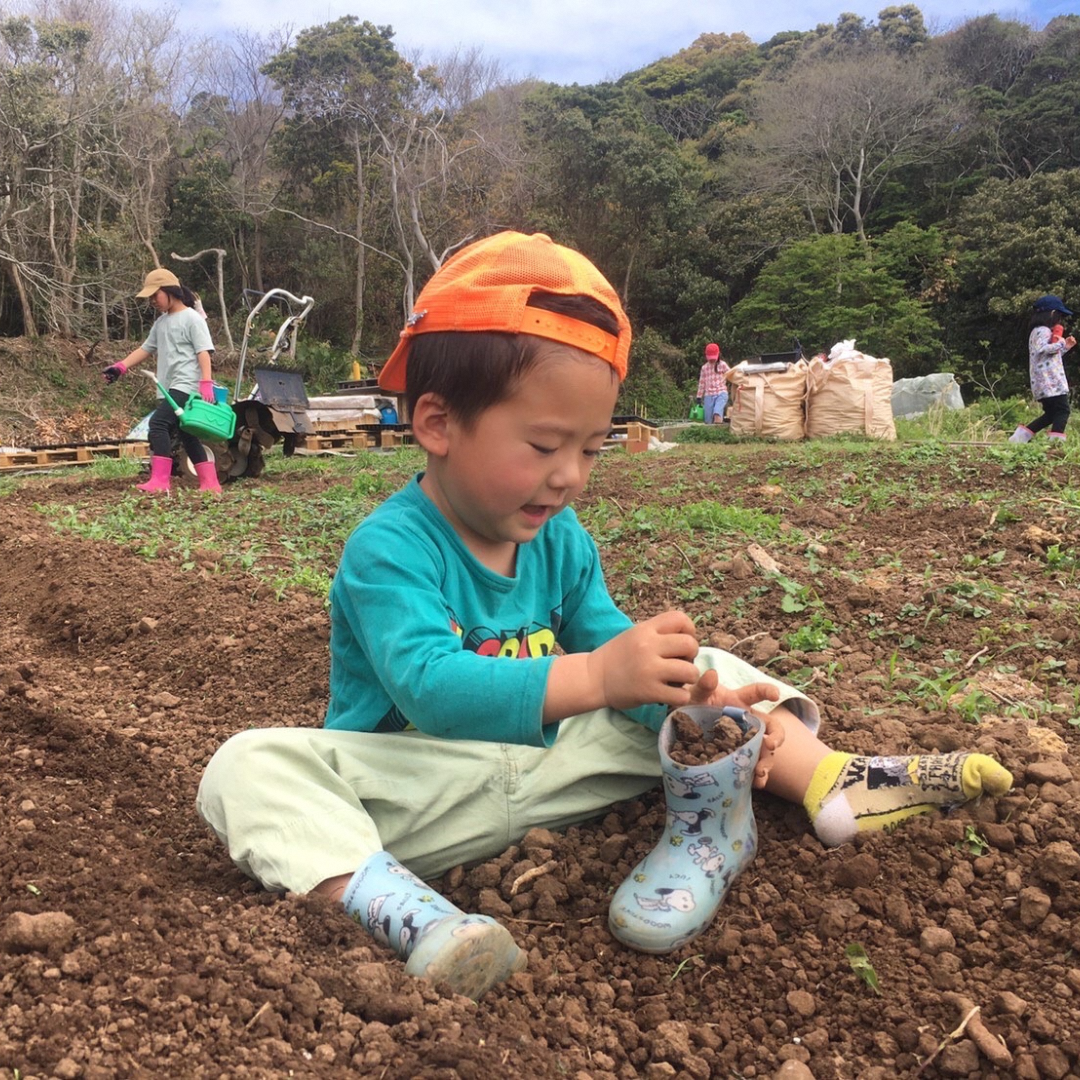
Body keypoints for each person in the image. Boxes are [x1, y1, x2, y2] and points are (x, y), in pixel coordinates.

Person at [196, 231, 1013, 1001]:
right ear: (438, 423)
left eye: (590, 449)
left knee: (705, 667)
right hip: (422, 789)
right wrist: (596, 675)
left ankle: (818, 785)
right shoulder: (390, 550)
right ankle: (411, 915)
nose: (571, 477)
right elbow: (430, 689)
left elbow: (607, 643)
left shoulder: (560, 538)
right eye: (545, 446)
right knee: (245, 767)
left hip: (560, 766)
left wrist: (679, 694)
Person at [103, 268, 220, 494]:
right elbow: (146, 348)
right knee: (187, 434)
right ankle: (210, 484)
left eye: (155, 295)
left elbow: (204, 352)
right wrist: (121, 366)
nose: (153, 301)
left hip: (186, 386)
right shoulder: (161, 323)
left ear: (169, 291)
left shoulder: (193, 319)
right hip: (170, 387)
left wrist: (206, 382)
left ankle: (160, 481)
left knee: (158, 425)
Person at [1009, 294, 1076, 447]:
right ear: (1052, 314)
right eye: (1059, 315)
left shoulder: (1038, 331)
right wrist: (1060, 342)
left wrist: (1065, 347)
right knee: (1063, 411)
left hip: (1044, 382)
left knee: (1052, 414)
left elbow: (1049, 356)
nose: (1059, 320)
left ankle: (1019, 438)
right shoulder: (1043, 330)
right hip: (1050, 383)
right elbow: (1042, 349)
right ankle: (1055, 445)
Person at [696, 342, 730, 424]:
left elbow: (731, 374)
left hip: (721, 393)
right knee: (708, 419)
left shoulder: (722, 365)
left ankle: (718, 429)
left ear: (718, 354)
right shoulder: (704, 368)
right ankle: (710, 433)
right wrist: (699, 396)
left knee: (717, 412)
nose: (712, 360)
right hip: (709, 395)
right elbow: (702, 383)